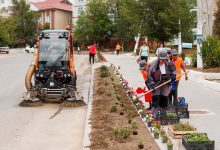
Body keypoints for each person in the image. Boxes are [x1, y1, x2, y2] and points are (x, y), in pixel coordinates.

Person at [146, 50, 176, 118]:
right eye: (161, 59)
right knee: (156, 99)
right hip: (156, 83)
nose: (162, 61)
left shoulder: (169, 63)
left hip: (165, 82)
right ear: (159, 58)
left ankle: (163, 114)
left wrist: (173, 75)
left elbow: (173, 70)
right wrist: (152, 85)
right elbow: (149, 76)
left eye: (164, 59)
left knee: (164, 97)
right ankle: (153, 116)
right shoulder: (153, 65)